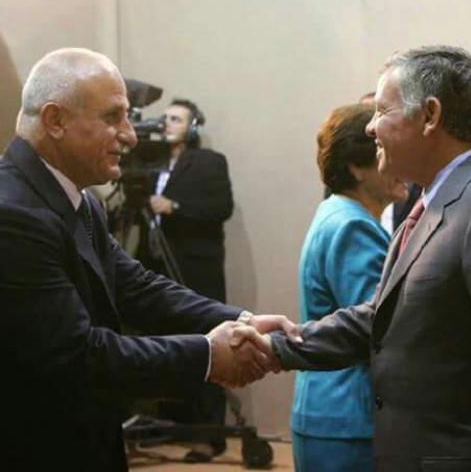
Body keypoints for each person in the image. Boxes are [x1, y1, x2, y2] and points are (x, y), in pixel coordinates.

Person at [0, 47, 293, 472]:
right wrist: (208, 355)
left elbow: (135, 286)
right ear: (55, 120)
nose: (131, 136)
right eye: (113, 117)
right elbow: (80, 355)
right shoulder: (12, 213)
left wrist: (242, 320)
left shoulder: (81, 199)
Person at [267, 46, 471, 471]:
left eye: (381, 111)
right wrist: (273, 346)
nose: (370, 127)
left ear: (429, 115)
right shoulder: (437, 198)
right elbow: (383, 317)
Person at [292, 103, 408, 472]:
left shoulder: (339, 214)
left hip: (332, 410)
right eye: (386, 151)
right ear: (357, 167)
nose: (401, 164)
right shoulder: (352, 226)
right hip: (347, 414)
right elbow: (380, 327)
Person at [143, 98, 233, 462]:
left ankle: (209, 436)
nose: (167, 123)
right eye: (165, 118)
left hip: (196, 269)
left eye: (176, 119)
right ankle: (174, 425)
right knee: (168, 348)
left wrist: (174, 207)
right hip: (157, 269)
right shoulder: (149, 163)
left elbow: (221, 208)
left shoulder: (210, 162)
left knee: (208, 345)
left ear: (193, 125)